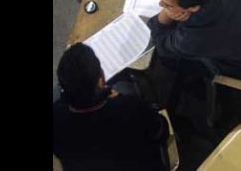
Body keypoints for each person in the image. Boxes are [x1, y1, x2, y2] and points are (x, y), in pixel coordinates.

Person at [52, 43, 169, 171]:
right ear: (101, 82)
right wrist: (120, 99)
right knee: (124, 85)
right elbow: (161, 130)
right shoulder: (129, 108)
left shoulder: (56, 119)